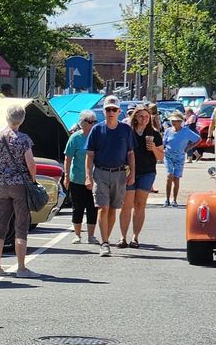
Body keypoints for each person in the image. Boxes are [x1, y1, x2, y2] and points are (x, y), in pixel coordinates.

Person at [0, 104, 40, 278]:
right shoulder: (23, 139)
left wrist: (0, 176)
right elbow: (31, 163)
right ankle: (21, 268)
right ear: (22, 119)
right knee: (21, 225)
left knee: (0, 224)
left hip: (3, 184)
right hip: (19, 184)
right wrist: (32, 179)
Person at [85, 95, 137, 257]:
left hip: (119, 173)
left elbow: (130, 153)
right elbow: (90, 155)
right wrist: (88, 176)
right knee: (103, 208)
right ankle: (104, 242)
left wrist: (133, 173)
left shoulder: (125, 130)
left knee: (113, 208)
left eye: (114, 109)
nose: (111, 112)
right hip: (100, 173)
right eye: (108, 109)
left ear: (119, 111)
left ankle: (106, 238)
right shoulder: (97, 129)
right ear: (104, 111)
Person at [118, 105, 163, 248]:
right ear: (135, 117)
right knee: (127, 205)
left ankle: (135, 237)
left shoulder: (154, 134)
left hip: (147, 172)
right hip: (129, 172)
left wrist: (154, 148)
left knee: (140, 205)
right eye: (141, 116)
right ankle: (122, 237)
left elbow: (161, 156)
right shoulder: (128, 132)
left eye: (146, 117)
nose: (144, 119)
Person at [63, 110, 99, 244]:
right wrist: (66, 176)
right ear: (82, 123)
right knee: (78, 207)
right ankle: (77, 235)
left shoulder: (97, 137)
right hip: (77, 178)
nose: (92, 124)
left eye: (94, 121)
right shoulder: (75, 138)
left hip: (94, 179)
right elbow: (68, 158)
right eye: (90, 121)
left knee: (92, 207)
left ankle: (91, 236)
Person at [162, 110, 200, 207]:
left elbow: (198, 139)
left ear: (181, 122)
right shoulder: (168, 131)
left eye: (177, 120)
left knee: (176, 178)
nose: (174, 122)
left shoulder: (186, 131)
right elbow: (164, 143)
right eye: (173, 120)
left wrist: (188, 148)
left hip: (180, 156)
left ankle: (174, 200)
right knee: (169, 176)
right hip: (168, 155)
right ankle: (167, 199)